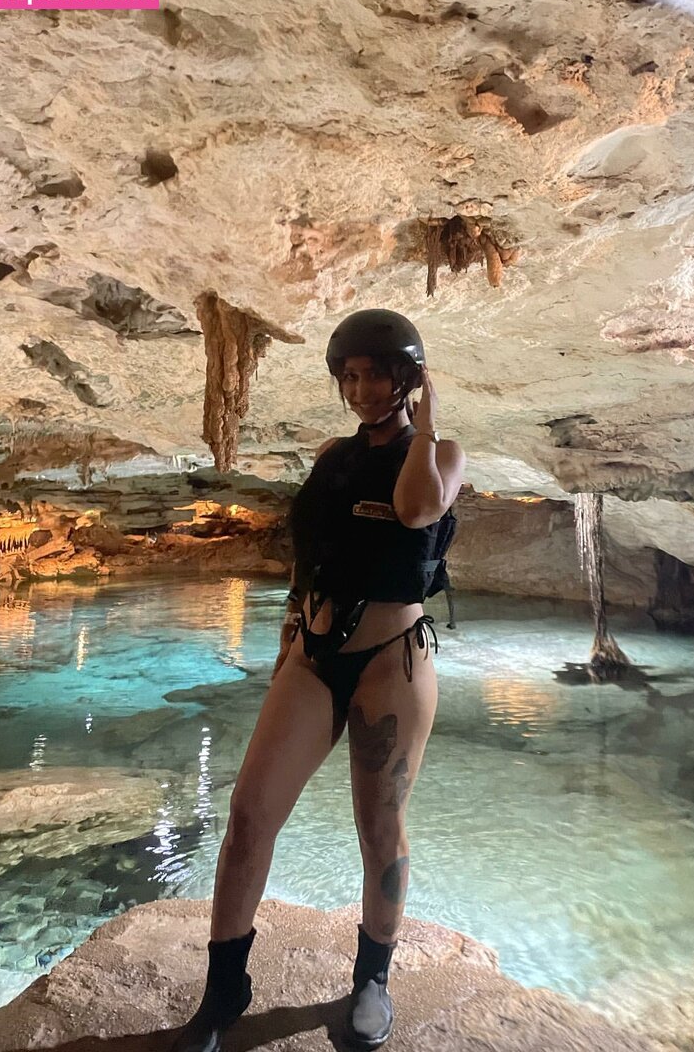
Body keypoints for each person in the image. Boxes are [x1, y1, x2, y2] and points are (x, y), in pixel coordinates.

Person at [170, 309, 465, 1052]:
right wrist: (288, 625)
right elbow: (310, 550)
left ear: (408, 378)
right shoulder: (333, 455)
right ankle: (224, 989)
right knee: (248, 816)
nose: (362, 390)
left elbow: (415, 510)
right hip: (312, 656)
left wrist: (426, 425)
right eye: (351, 377)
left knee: (379, 826)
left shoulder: (441, 455)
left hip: (391, 663)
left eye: (378, 376)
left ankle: (372, 981)